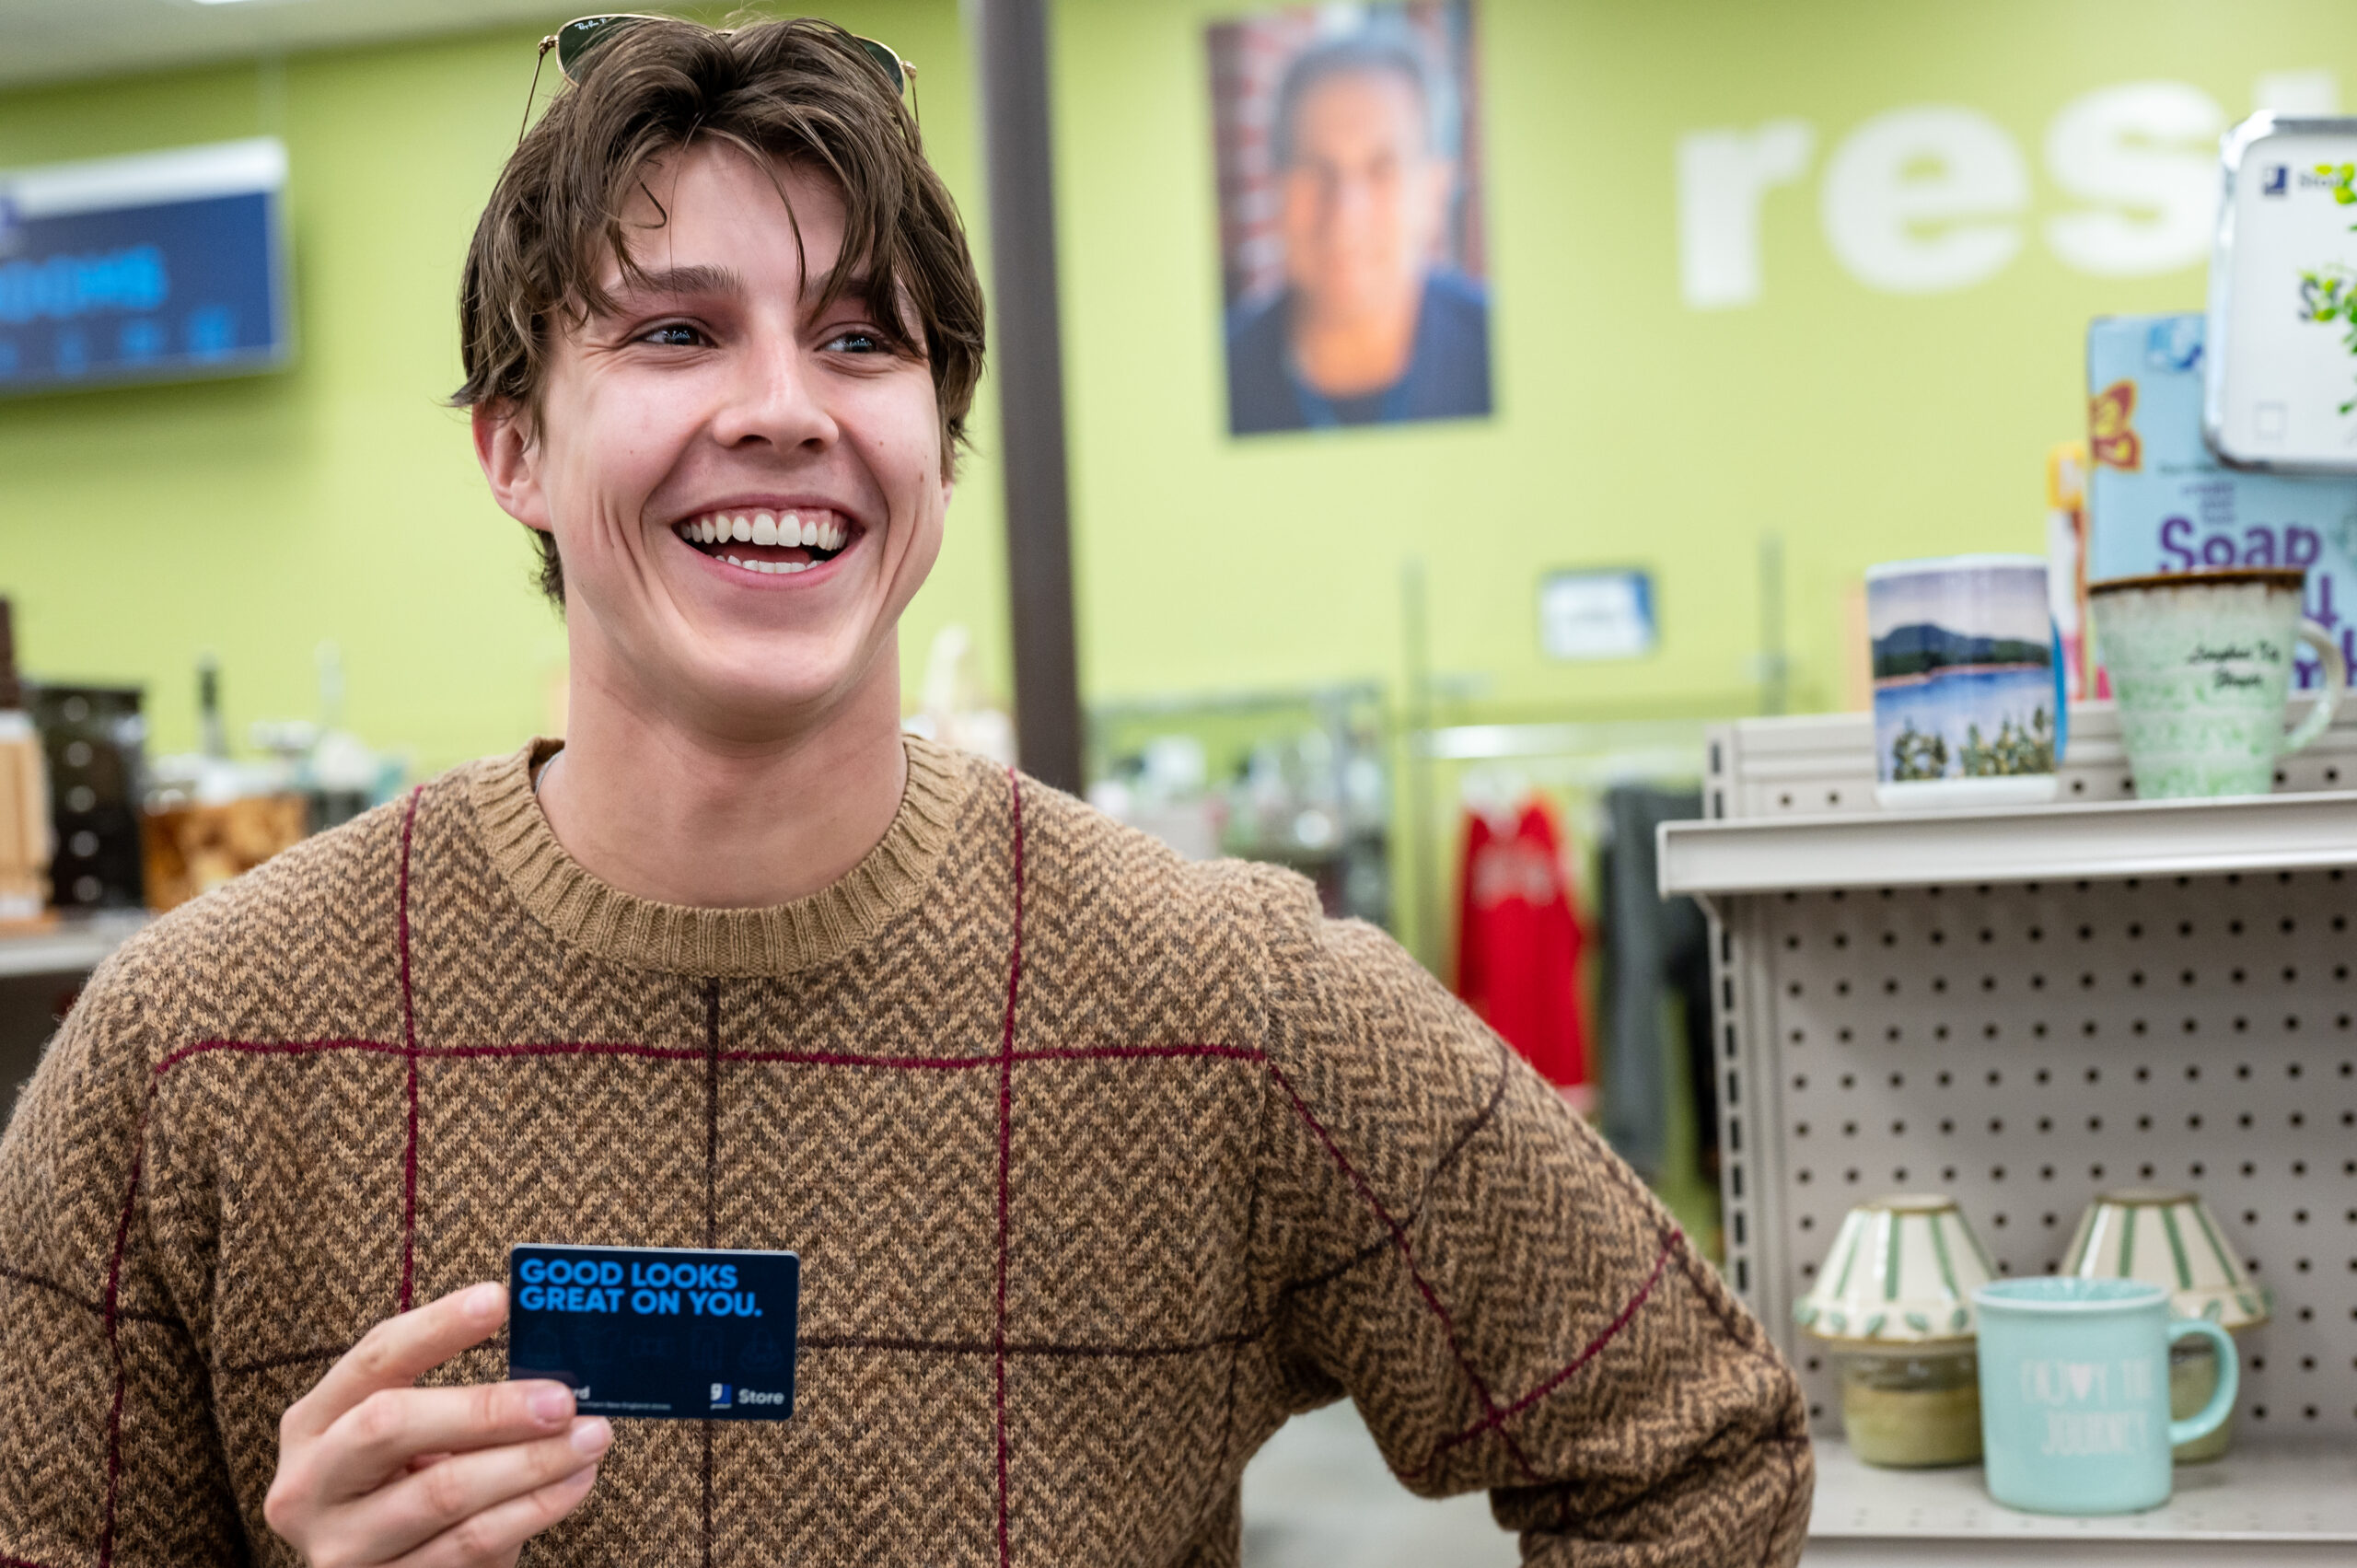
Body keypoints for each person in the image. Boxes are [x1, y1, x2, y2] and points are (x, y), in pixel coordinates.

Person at [0, 17, 1806, 1566]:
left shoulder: (1225, 1001)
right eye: (673, 331)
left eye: (862, 338)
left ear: (936, 446)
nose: (784, 404)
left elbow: (1694, 1444)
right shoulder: (191, 1051)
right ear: (511, 445)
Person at [1225, 31, 1493, 435]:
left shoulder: (1509, 359)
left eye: (1382, 169)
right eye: (1316, 168)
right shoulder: (1208, 382)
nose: (1346, 213)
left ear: (1435, 191)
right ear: (1275, 188)